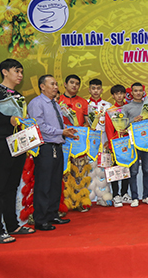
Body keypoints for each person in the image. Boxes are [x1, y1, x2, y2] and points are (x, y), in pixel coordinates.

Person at [0, 59, 35, 243]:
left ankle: (12, 225)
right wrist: (7, 120)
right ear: (5, 71)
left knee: (12, 186)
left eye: (21, 72)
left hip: (17, 144)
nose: (20, 75)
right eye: (16, 71)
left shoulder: (19, 96)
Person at [28, 75, 76, 231]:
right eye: (52, 84)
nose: (56, 87)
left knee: (55, 182)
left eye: (56, 84)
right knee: (44, 183)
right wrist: (62, 131)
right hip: (45, 147)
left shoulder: (55, 103)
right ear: (42, 86)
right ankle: (40, 219)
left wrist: (66, 130)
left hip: (57, 146)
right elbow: (39, 126)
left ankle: (52, 214)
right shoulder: (37, 103)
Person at [59, 74, 91, 212]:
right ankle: (64, 204)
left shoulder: (83, 102)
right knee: (64, 173)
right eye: (71, 83)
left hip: (79, 142)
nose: (74, 86)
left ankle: (79, 202)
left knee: (79, 172)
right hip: (62, 140)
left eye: (77, 84)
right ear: (65, 84)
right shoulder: (57, 100)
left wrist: (89, 128)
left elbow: (87, 121)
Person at [122, 83, 148, 207]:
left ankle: (146, 196)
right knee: (134, 171)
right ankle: (135, 197)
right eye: (135, 91)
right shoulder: (126, 107)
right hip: (133, 143)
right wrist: (132, 120)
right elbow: (122, 125)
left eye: (140, 91)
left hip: (146, 142)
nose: (138, 93)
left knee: (146, 169)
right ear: (131, 93)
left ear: (143, 92)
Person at [87, 78, 113, 207]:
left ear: (102, 90)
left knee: (103, 170)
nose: (96, 91)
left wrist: (109, 141)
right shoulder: (85, 104)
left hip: (103, 142)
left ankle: (104, 196)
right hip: (89, 144)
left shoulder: (107, 105)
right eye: (93, 88)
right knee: (89, 169)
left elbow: (110, 126)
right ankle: (88, 197)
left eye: (98, 88)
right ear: (89, 89)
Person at [105, 84, 131, 207]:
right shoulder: (110, 111)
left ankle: (125, 193)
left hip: (127, 143)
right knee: (115, 170)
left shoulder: (128, 108)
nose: (119, 96)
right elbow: (109, 130)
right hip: (115, 144)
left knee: (126, 169)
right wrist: (112, 145)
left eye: (121, 93)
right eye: (117, 94)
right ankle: (116, 195)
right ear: (113, 96)